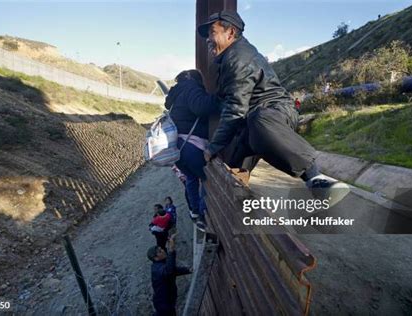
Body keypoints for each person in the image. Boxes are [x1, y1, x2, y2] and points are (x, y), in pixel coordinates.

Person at [197, 11, 350, 206]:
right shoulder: (228, 59)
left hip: (274, 114)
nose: (208, 40)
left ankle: (317, 178)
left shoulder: (238, 57)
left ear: (230, 33)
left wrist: (213, 146)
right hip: (251, 120)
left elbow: (236, 108)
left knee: (257, 121)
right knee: (233, 167)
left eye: (212, 32)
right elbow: (229, 101)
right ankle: (236, 205)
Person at [164, 70, 220, 231]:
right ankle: (202, 215)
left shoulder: (176, 93)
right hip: (191, 145)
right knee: (206, 178)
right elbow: (201, 108)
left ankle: (194, 212)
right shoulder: (192, 87)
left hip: (176, 146)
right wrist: (219, 97)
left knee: (190, 178)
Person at [147, 234, 192, 316]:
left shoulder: (160, 264)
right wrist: (171, 250)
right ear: (156, 258)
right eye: (160, 251)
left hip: (166, 303)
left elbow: (172, 271)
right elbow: (170, 271)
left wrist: (188, 270)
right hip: (164, 305)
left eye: (161, 249)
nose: (163, 251)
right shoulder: (157, 269)